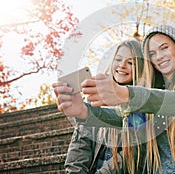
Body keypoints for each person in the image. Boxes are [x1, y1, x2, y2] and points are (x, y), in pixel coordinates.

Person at [81, 25, 175, 173]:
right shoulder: (152, 93)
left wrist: (127, 94)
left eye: (164, 48)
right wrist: (85, 111)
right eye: (152, 53)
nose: (159, 56)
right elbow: (123, 118)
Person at [53, 39, 145, 173]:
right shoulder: (95, 100)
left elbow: (132, 153)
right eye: (118, 59)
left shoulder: (141, 102)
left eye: (131, 63)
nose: (122, 65)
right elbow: (80, 145)